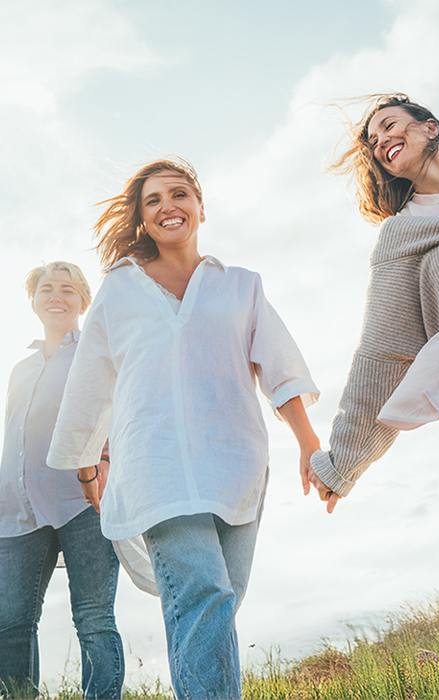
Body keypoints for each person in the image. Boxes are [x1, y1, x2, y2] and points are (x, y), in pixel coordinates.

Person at [46, 157, 321, 700]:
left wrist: (308, 442)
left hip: (236, 460)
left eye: (178, 194)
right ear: (143, 220)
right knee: (202, 592)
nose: (168, 206)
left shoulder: (240, 285)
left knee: (220, 600)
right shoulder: (118, 291)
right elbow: (90, 382)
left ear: (200, 206)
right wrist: (87, 466)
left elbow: (280, 365)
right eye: (153, 201)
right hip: (155, 461)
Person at [308, 93, 439, 683]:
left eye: (388, 126)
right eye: (373, 141)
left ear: (431, 128)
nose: (380, 142)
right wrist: (342, 461)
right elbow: (384, 353)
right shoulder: (402, 237)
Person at [0, 262, 124, 699]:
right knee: (10, 622)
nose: (56, 296)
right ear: (32, 302)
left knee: (93, 618)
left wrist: (104, 460)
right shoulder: (20, 368)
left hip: (82, 500)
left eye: (67, 290)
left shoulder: (96, 352)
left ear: (83, 302)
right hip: (17, 510)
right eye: (46, 289)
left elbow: (113, 412)